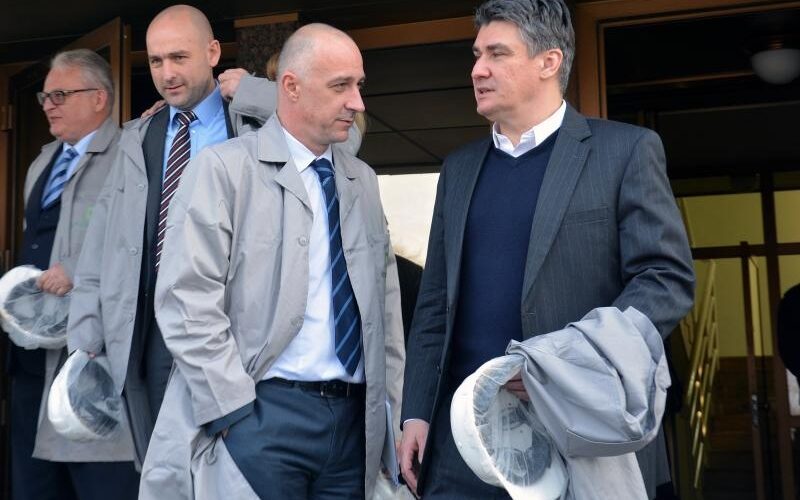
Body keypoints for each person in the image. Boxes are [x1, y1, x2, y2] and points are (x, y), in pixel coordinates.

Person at [398, 1, 695, 499]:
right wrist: (416, 413)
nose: (477, 70)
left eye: (497, 54)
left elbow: (666, 279)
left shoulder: (625, 151)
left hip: (580, 431)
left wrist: (564, 361)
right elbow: (434, 305)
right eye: (476, 55)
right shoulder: (459, 169)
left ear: (548, 61)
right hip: (460, 445)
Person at [139, 23, 405, 500]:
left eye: (358, 85)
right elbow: (185, 297)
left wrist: (394, 415)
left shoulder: (362, 180)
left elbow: (385, 312)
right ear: (292, 87)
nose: (357, 102)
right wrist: (232, 410)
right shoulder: (223, 168)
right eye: (340, 86)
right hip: (260, 417)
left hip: (352, 426)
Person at [66, 5, 268, 468]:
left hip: (239, 333)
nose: (167, 73)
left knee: (239, 475)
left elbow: (343, 140)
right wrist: (85, 342)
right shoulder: (138, 137)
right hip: (155, 335)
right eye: (156, 61)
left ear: (213, 53)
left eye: (179, 57)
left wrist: (257, 92)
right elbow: (100, 249)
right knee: (168, 475)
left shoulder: (252, 123)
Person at [9, 49, 139, 500]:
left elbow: (142, 243)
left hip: (91, 355)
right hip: (31, 357)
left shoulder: (131, 155)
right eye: (45, 96)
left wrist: (80, 270)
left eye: (60, 95)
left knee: (102, 486)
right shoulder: (42, 162)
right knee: (34, 488)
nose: (48, 105)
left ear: (99, 98)